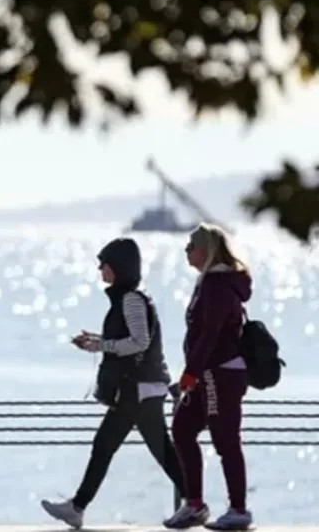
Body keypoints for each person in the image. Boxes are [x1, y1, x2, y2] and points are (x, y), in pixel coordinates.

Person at [41, 237, 184, 530]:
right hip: (142, 389)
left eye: (103, 263)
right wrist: (97, 341)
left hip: (137, 390)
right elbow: (132, 339)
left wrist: (99, 346)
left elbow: (139, 341)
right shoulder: (130, 298)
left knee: (113, 446)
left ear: (118, 267)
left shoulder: (130, 299)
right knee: (144, 449)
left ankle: (77, 508)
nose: (99, 269)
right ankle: (196, 502)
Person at [163, 224, 254, 531]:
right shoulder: (212, 282)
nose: (186, 252)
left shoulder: (216, 285)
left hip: (219, 372)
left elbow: (210, 336)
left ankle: (239, 509)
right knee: (183, 429)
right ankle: (195, 505)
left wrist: (190, 374)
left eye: (190, 246)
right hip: (208, 373)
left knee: (226, 440)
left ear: (205, 250)